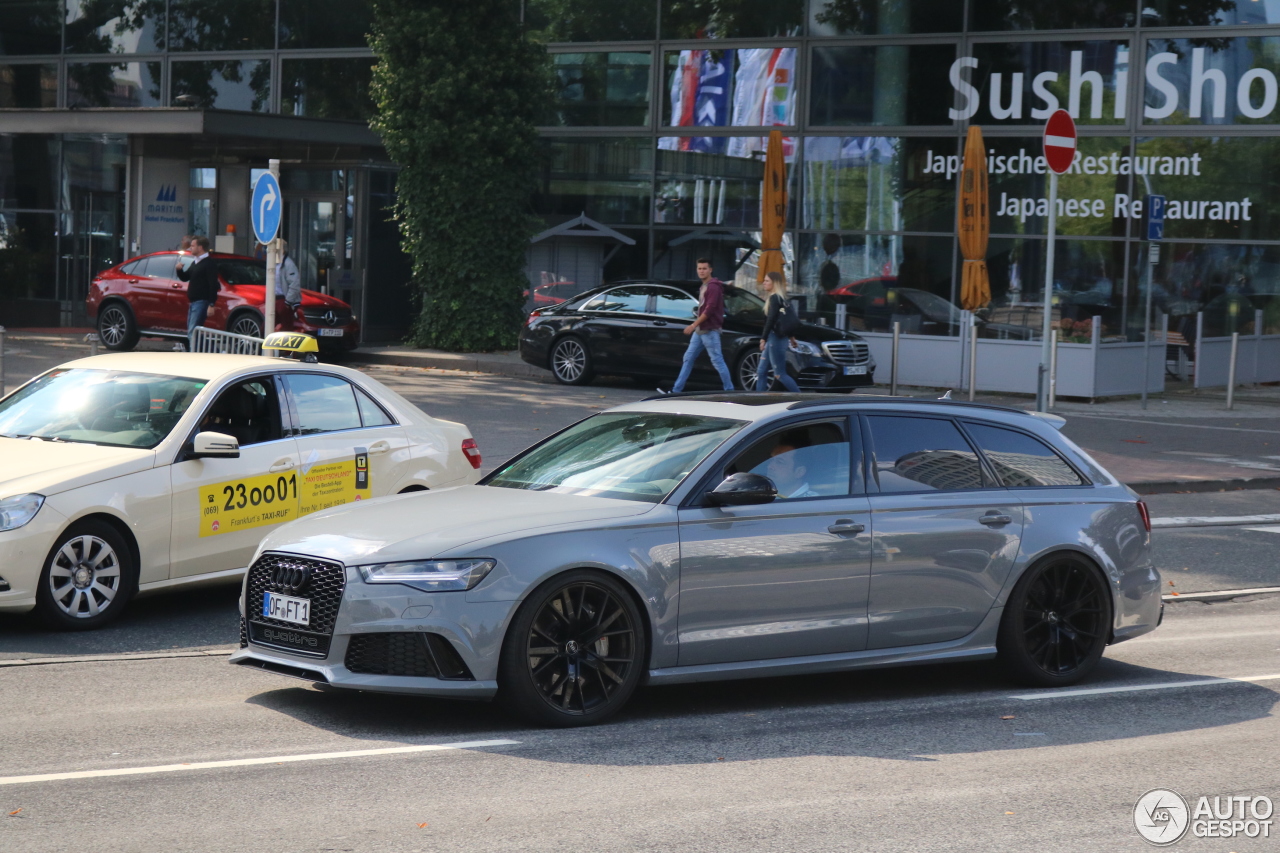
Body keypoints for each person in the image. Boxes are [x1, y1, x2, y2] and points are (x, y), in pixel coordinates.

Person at [662, 258, 735, 394]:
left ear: (710, 270)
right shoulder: (705, 286)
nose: (701, 271)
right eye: (699, 268)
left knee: (717, 361)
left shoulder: (713, 287)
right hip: (701, 330)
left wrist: (693, 325)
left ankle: (729, 390)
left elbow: (710, 310)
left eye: (704, 268)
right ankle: (676, 390)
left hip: (709, 330)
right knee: (688, 358)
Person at [755, 270, 801, 392]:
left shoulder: (775, 298)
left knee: (780, 374)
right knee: (761, 371)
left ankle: (800, 397)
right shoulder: (781, 298)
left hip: (775, 339)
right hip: (775, 338)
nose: (764, 283)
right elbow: (786, 321)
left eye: (767, 281)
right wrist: (791, 338)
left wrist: (763, 339)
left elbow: (770, 320)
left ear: (774, 283)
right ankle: (757, 400)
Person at [176, 236, 219, 348]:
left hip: (201, 301)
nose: (190, 248)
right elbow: (186, 277)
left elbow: (213, 284)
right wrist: (179, 270)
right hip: (194, 302)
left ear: (200, 247)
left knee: (192, 332)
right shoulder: (196, 262)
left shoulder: (208, 263)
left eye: (193, 246)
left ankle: (195, 356)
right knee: (195, 331)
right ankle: (213, 351)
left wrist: (211, 304)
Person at [276, 240, 302, 322]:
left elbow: (294, 284)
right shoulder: (275, 263)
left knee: (286, 328)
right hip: (275, 300)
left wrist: (287, 302)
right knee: (266, 328)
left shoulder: (288, 264)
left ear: (282, 250)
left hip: (283, 300)